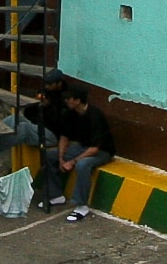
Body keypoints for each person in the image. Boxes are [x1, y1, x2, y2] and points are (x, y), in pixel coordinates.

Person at [40, 88, 114, 220]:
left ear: (78, 101)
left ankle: (81, 206)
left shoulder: (95, 116)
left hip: (102, 151)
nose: (66, 101)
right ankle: (55, 194)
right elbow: (64, 137)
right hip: (81, 147)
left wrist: (72, 161)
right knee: (49, 155)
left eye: (69, 99)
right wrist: (61, 158)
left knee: (82, 164)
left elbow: (94, 149)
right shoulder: (70, 113)